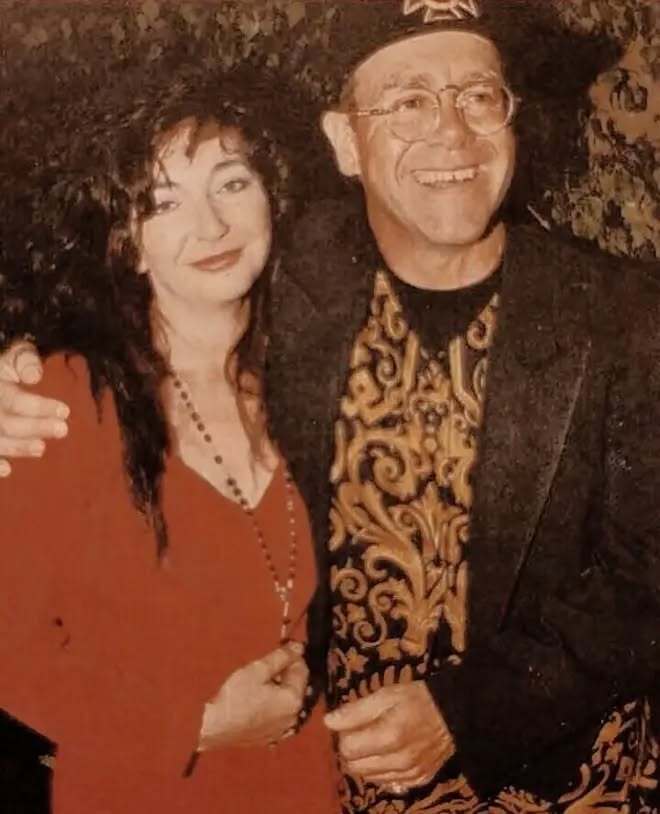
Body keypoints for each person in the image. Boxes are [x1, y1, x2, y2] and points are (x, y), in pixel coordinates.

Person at [3, 1, 660, 811]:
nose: (452, 134)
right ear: (346, 142)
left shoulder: (625, 317)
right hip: (329, 788)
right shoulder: (300, 278)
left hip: (569, 788)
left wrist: (469, 710)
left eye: (477, 96)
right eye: (409, 102)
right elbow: (127, 287)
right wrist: (13, 370)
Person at [0, 55, 338, 812]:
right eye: (164, 202)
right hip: (143, 789)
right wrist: (196, 724)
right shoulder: (65, 398)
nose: (211, 226)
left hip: (305, 786)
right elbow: (8, 650)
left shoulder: (310, 379)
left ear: (273, 197)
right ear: (127, 240)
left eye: (232, 183)